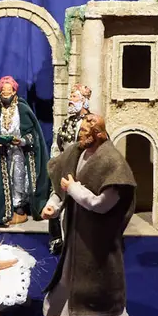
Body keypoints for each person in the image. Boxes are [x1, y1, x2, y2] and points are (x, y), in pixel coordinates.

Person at [41, 113, 137, 316]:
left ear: (99, 135)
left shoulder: (112, 163)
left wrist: (74, 189)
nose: (81, 137)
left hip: (98, 236)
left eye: (86, 134)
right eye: (80, 133)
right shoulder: (76, 153)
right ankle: (64, 309)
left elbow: (101, 205)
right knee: (70, 272)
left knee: (96, 277)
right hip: (75, 231)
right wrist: (53, 207)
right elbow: (60, 188)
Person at [0, 75, 49, 227]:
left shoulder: (23, 109)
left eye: (9, 90)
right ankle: (0, 209)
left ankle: (18, 206)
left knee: (18, 177)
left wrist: (21, 141)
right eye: (3, 91)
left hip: (18, 153)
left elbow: (33, 135)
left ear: (14, 91)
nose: (6, 93)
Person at [47, 83, 92, 254]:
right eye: (70, 97)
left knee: (81, 205)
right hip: (65, 167)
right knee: (56, 198)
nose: (70, 101)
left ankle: (81, 241)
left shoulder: (91, 122)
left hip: (82, 169)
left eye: (74, 97)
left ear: (84, 100)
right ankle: (57, 239)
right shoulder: (67, 122)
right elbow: (59, 144)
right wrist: (56, 162)